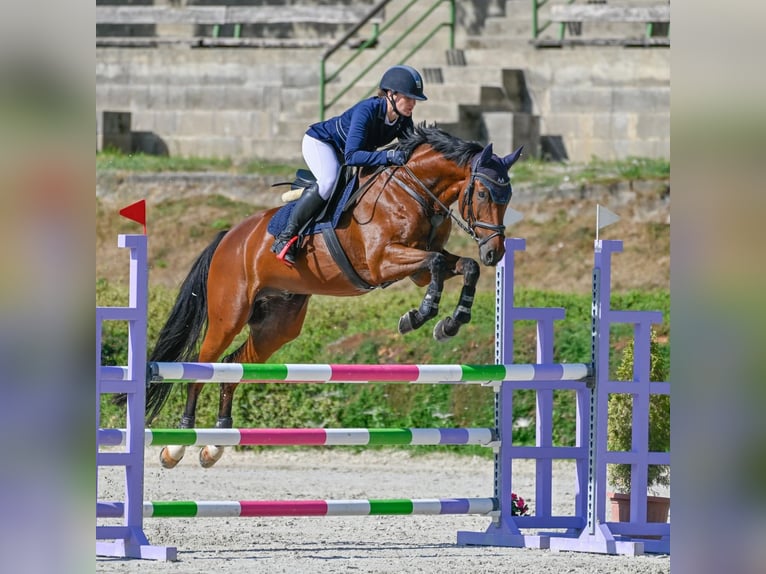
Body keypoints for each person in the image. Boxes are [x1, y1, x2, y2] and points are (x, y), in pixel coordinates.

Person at [271, 64, 428, 266]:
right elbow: (353, 156)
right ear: (391, 94)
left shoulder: (402, 119)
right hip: (321, 143)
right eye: (409, 98)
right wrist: (388, 156)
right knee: (329, 181)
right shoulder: (367, 111)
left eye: (415, 99)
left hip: (346, 153)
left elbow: (409, 151)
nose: (413, 104)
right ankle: (286, 236)